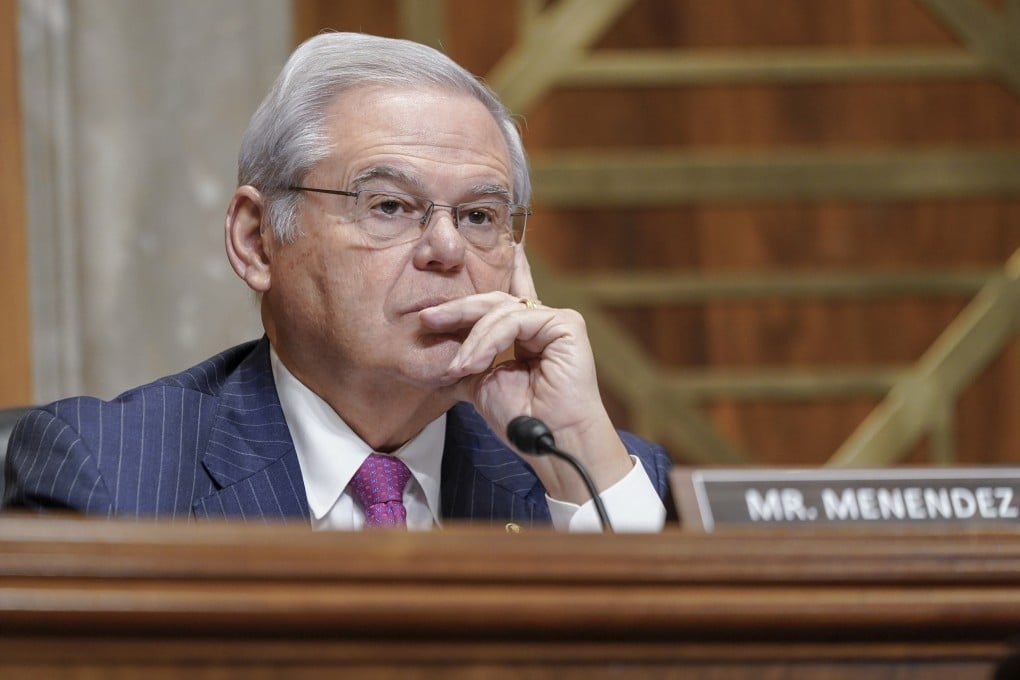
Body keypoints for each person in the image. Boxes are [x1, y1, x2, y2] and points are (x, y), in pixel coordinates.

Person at [3, 32, 672, 532]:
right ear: (255, 239)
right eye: (389, 206)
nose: (446, 247)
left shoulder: (604, 475)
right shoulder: (111, 478)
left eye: (478, 215)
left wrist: (575, 455)